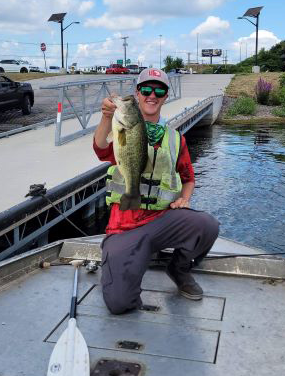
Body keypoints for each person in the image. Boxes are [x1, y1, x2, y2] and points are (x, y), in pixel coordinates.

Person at [93, 68, 219, 314]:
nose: (152, 95)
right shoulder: (121, 126)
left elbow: (188, 178)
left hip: (162, 220)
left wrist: (184, 199)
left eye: (159, 90)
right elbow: (100, 149)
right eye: (146, 89)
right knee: (119, 304)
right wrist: (107, 117)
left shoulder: (175, 138)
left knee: (207, 225)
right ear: (137, 94)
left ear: (166, 96)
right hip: (125, 226)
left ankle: (179, 269)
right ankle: (127, 265)